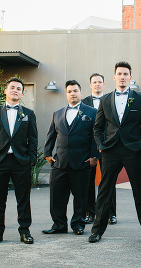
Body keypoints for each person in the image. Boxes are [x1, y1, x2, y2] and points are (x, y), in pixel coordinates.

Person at [87, 62, 141, 243]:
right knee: (105, 191)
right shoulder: (105, 100)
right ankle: (97, 231)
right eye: (119, 74)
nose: (122, 77)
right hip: (110, 150)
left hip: (133, 149)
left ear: (130, 77)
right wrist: (101, 145)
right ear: (114, 77)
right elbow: (97, 127)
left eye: (126, 74)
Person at [0, 78, 38, 245]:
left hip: (21, 162)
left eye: (18, 88)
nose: (15, 90)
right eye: (12, 87)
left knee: (23, 198)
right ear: (5, 91)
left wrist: (31, 159)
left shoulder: (28, 114)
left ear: (22, 94)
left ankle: (24, 231)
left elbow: (33, 138)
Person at [42, 80, 97, 236]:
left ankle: (78, 225)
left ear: (81, 93)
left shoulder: (92, 112)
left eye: (75, 91)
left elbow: (95, 136)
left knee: (80, 198)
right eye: (69, 91)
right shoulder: (57, 113)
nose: (72, 94)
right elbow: (51, 135)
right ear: (66, 94)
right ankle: (58, 225)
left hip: (82, 162)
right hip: (59, 163)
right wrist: (47, 153)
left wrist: (94, 156)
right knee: (57, 197)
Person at [80, 73, 116, 225]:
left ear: (104, 84)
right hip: (90, 149)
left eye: (100, 82)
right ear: (90, 85)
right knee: (88, 183)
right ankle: (90, 212)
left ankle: (111, 213)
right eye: (94, 82)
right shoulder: (83, 103)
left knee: (109, 181)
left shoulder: (110, 100)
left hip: (107, 146)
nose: (97, 84)